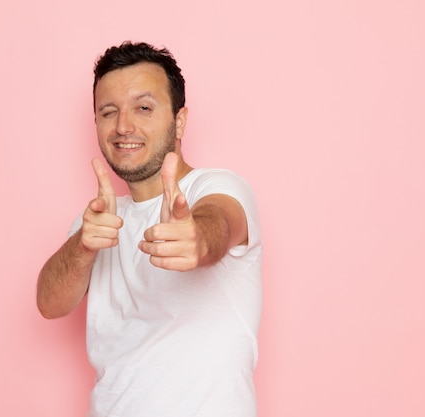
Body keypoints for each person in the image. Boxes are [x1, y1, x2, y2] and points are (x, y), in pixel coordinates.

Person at [37, 41, 262, 417]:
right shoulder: (99, 218)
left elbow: (218, 224)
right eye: (109, 112)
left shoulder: (218, 188)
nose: (123, 126)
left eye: (143, 108)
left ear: (179, 120)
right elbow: (49, 304)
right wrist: (83, 246)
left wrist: (198, 239)